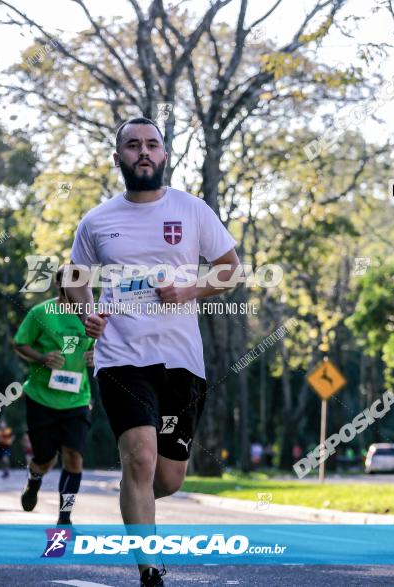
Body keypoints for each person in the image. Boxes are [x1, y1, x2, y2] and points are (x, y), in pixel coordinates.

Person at [64, 117, 240, 586]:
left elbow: (231, 270)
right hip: (120, 357)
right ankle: (150, 569)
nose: (143, 152)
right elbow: (73, 280)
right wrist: (87, 315)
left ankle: (131, 505)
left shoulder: (193, 210)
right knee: (139, 459)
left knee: (167, 479)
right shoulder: (97, 221)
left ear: (164, 155)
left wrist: (188, 291)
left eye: (152, 145)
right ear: (118, 156)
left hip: (181, 360)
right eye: (133, 145)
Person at [13, 265, 95, 526]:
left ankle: (65, 515)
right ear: (59, 284)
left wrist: (99, 357)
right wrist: (42, 357)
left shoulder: (92, 317)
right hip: (41, 398)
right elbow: (20, 343)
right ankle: (34, 481)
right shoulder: (41, 313)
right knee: (45, 458)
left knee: (74, 456)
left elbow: (107, 347)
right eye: (70, 281)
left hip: (77, 399)